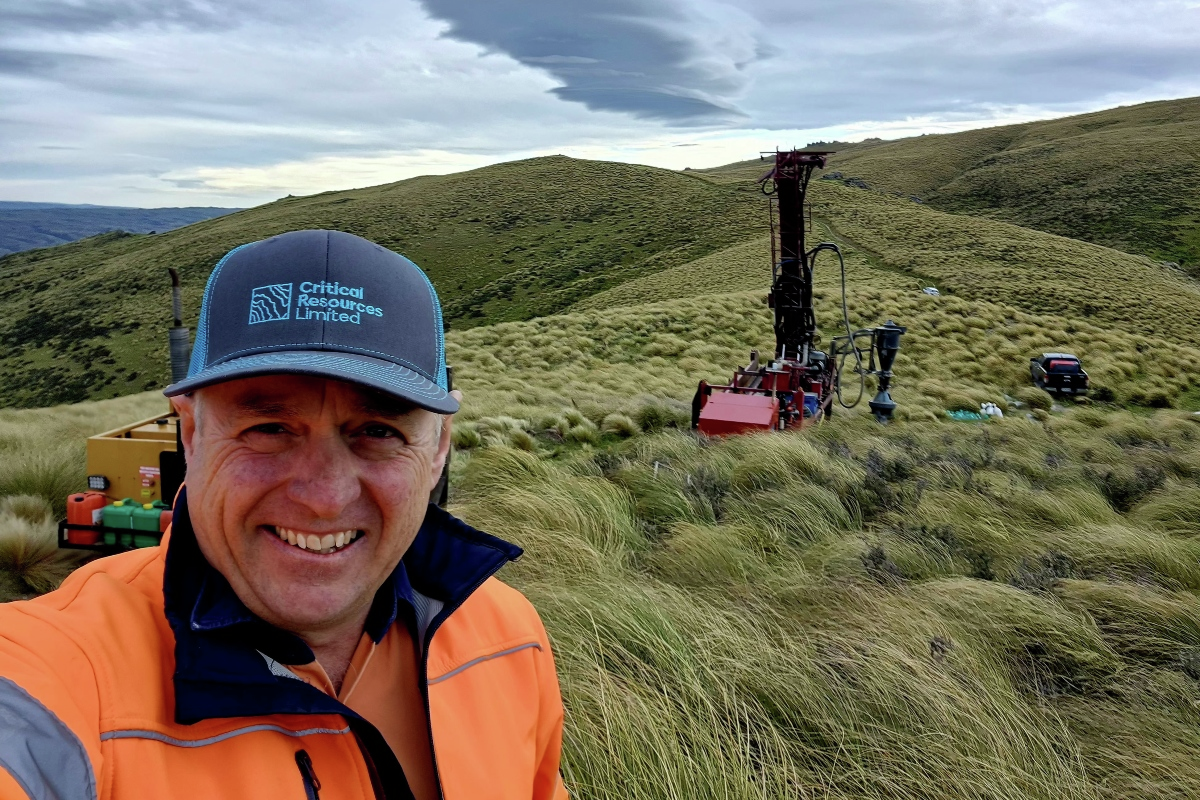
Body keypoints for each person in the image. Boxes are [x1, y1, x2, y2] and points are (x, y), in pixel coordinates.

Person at [0, 230, 568, 800]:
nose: (325, 497)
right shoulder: (56, 672)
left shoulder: (509, 636)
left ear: (440, 445)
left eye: (378, 431)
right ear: (191, 432)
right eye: (268, 428)